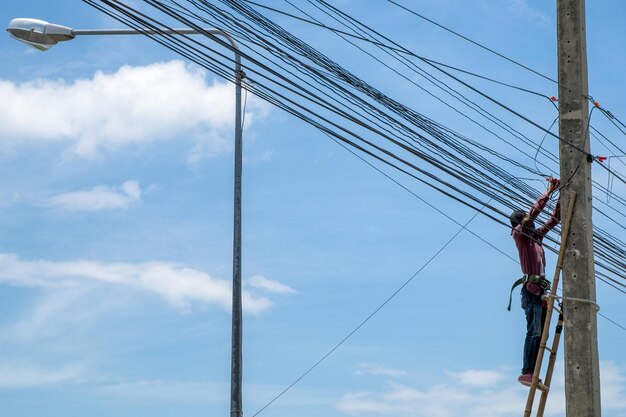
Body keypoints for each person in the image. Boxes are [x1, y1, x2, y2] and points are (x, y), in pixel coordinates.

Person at [509, 178, 561, 386]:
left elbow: (553, 221)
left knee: (542, 335)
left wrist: (561, 198)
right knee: (535, 331)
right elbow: (533, 216)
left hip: (539, 293)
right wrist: (548, 191)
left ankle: (533, 372)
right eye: (526, 221)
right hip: (530, 292)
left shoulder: (535, 238)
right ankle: (526, 372)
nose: (530, 223)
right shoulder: (519, 235)